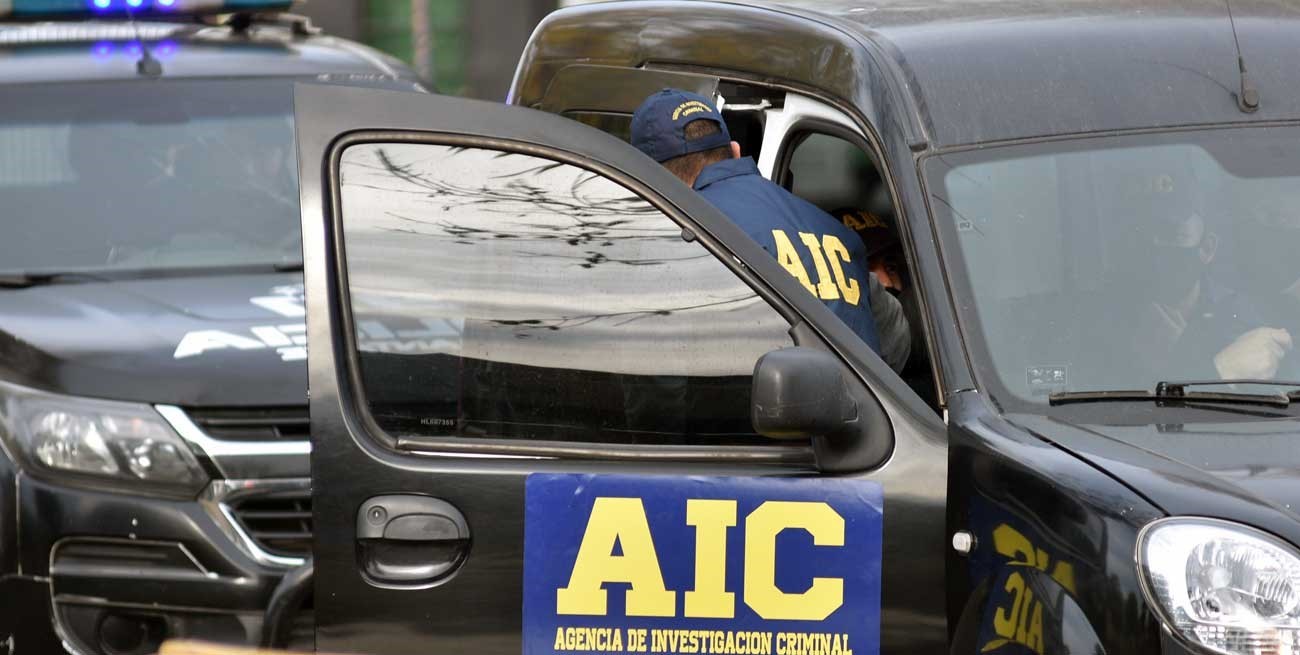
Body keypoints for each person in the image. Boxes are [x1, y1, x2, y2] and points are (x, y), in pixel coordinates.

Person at [630, 89, 910, 372]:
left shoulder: (687, 245)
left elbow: (660, 380)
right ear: (736, 151)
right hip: (867, 415)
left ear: (650, 181)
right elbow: (895, 340)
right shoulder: (838, 235)